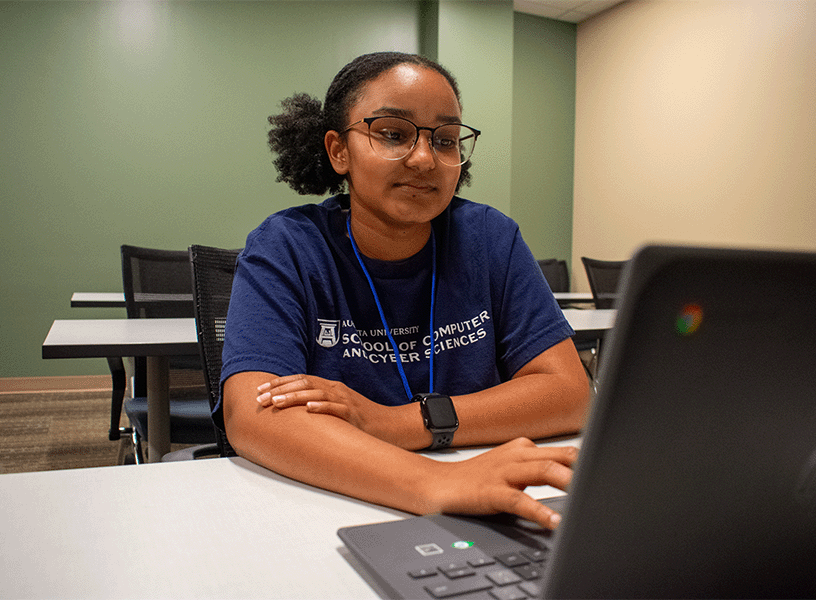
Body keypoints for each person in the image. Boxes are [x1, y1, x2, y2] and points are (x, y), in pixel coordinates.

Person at [217, 51, 589, 529]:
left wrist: (390, 423)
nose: (423, 158)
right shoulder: (286, 247)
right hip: (329, 507)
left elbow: (568, 393)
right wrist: (436, 482)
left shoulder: (490, 239)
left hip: (487, 496)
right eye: (393, 133)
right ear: (338, 151)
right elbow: (253, 413)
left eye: (446, 140)